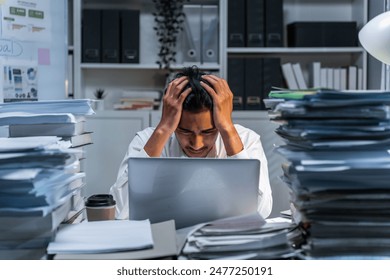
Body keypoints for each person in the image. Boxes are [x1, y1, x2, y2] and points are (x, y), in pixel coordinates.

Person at [110, 66, 272, 220]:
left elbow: (261, 210)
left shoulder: (247, 140)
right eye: (185, 131)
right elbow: (120, 209)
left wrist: (228, 129)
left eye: (208, 132)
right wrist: (163, 128)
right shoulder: (147, 141)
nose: (196, 144)